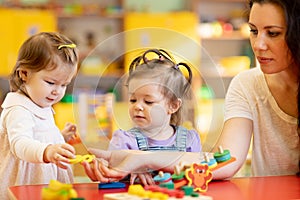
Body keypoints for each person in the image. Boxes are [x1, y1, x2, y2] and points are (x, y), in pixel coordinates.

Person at [82, 0, 299, 181]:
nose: (258, 44)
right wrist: (139, 159)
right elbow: (223, 162)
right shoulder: (247, 84)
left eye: (273, 33)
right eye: (253, 31)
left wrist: (143, 158)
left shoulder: (188, 138)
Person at [0, 32, 79, 199]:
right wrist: (47, 151)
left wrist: (60, 136)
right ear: (24, 74)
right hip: (25, 183)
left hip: (43, 181)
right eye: (51, 82)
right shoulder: (19, 109)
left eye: (64, 85)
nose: (57, 91)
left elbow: (39, 134)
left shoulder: (40, 102)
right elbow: (20, 144)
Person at [108, 49, 201, 185]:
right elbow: (108, 174)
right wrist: (129, 170)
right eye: (133, 100)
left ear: (173, 106)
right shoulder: (123, 141)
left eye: (148, 102)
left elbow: (199, 173)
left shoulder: (189, 141)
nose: (138, 106)